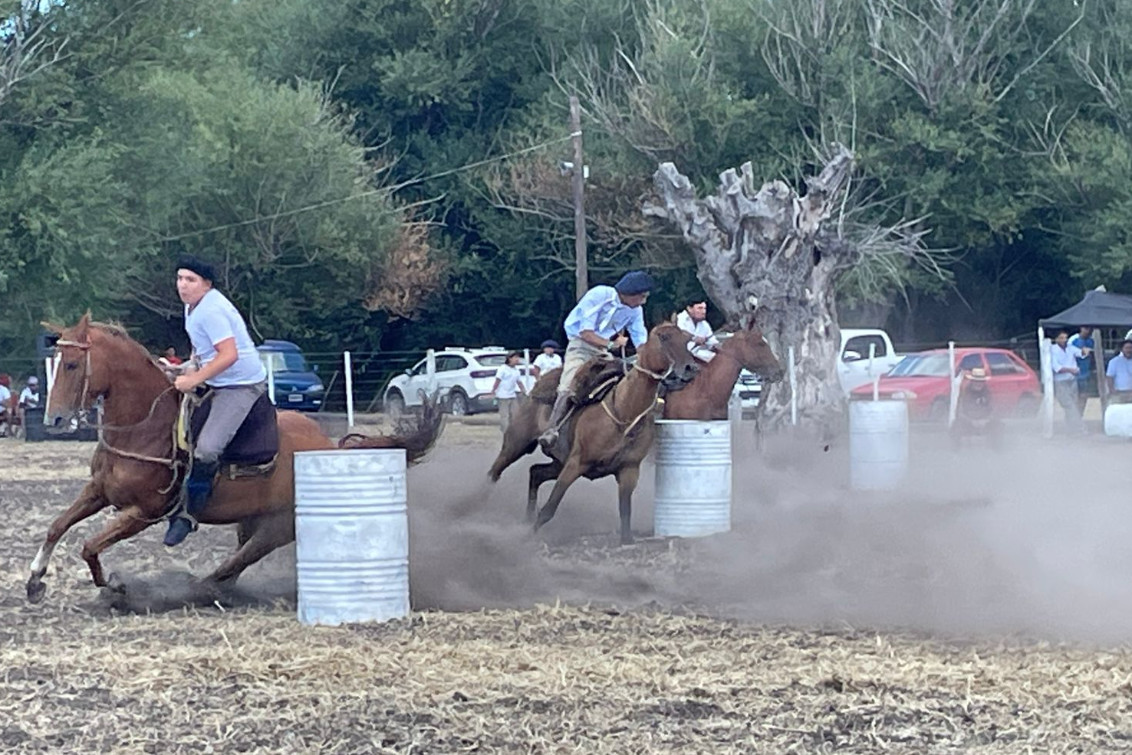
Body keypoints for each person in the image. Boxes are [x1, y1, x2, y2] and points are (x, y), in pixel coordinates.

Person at [164, 256, 268, 547]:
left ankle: (188, 514)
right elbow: (204, 349)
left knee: (207, 449)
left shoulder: (211, 310)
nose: (183, 285)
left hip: (239, 385)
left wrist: (194, 380)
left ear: (206, 284)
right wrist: (187, 366)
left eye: (190, 280)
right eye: (180, 278)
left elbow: (228, 354)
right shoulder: (191, 307)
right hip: (215, 377)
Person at [539, 270, 653, 448]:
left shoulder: (635, 310)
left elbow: (640, 337)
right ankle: (551, 429)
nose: (644, 301)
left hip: (602, 351)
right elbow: (586, 333)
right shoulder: (600, 295)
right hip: (580, 346)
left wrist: (645, 357)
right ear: (629, 293)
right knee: (569, 383)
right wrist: (610, 345)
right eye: (642, 296)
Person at [1050, 330, 1085, 434]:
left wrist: (1085, 350)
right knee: (1069, 405)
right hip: (1061, 381)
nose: (1064, 340)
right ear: (1056, 339)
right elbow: (1057, 368)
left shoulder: (1070, 348)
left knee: (1073, 404)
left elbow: (1080, 353)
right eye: (1061, 338)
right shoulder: (1052, 350)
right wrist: (1071, 370)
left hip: (1072, 380)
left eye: (1065, 337)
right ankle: (1079, 428)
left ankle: (1072, 429)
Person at [491, 351, 527, 434]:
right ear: (509, 359)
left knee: (515, 414)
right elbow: (498, 380)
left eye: (518, 358)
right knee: (505, 416)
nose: (517, 359)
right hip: (502, 396)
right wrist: (493, 391)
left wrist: (524, 391)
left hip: (512, 395)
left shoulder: (516, 370)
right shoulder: (502, 368)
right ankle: (505, 432)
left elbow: (519, 382)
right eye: (515, 358)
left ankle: (515, 431)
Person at [1068, 326, 1095, 413]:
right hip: (1074, 374)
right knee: (1073, 397)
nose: (1088, 331)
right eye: (1086, 328)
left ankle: (1080, 415)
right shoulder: (1073, 340)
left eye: (1090, 329)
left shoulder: (1091, 341)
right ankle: (1072, 416)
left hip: (1086, 373)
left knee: (1084, 396)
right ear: (1081, 328)